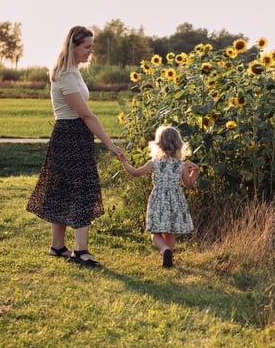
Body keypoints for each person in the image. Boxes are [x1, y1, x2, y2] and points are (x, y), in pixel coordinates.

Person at [27, 25, 125, 267]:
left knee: (63, 189)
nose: (91, 52)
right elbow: (87, 115)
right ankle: (81, 252)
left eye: (92, 47)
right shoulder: (67, 76)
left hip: (71, 135)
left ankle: (57, 246)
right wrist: (111, 145)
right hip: (70, 135)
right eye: (87, 47)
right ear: (73, 46)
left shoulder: (73, 71)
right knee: (80, 189)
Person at [121, 125, 199, 267]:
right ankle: (169, 256)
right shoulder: (180, 165)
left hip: (158, 200)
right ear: (179, 145)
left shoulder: (154, 163)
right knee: (170, 233)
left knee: (155, 233)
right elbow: (188, 183)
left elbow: (135, 172)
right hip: (175, 201)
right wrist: (196, 170)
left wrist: (124, 162)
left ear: (159, 145)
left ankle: (164, 249)